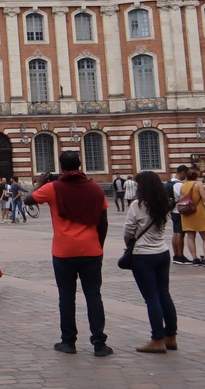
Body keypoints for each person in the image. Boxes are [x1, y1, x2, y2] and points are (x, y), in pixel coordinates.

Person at [32, 150, 112, 357]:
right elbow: (103, 222)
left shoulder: (53, 188)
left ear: (61, 167)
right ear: (80, 164)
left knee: (66, 297)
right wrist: (99, 246)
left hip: (64, 251)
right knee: (94, 296)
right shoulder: (95, 188)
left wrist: (40, 182)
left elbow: (27, 200)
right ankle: (99, 343)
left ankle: (68, 341)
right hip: (91, 250)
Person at [123, 171, 177, 353]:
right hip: (162, 252)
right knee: (164, 295)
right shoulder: (164, 204)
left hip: (143, 256)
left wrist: (129, 246)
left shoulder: (137, 205)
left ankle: (157, 339)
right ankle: (171, 336)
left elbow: (128, 232)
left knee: (151, 298)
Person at [167, 167, 190, 264]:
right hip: (179, 210)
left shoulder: (170, 182)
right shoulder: (179, 185)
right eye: (186, 174)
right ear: (183, 172)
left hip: (172, 210)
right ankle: (180, 256)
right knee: (180, 233)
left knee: (175, 232)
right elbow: (184, 198)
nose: (186, 176)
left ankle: (176, 255)